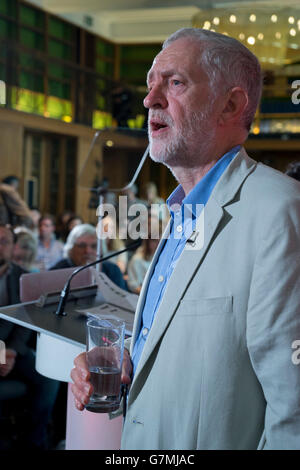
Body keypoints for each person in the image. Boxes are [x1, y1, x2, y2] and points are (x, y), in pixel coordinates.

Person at [70, 28, 300, 450]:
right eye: (150, 84)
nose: (149, 99)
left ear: (230, 104)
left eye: (174, 83)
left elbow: (295, 412)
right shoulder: (182, 212)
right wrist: (131, 365)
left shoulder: (281, 211)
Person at [0, 224, 59, 449]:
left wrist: (12, 351)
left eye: (5, 241)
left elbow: (26, 320)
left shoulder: (22, 277)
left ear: (13, 247)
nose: (0, 246)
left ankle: (34, 442)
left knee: (49, 378)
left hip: (13, 349)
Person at [50, 223, 128, 291]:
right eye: (82, 246)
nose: (87, 251)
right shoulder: (57, 271)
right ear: (70, 249)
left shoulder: (112, 270)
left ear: (101, 250)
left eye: (94, 246)